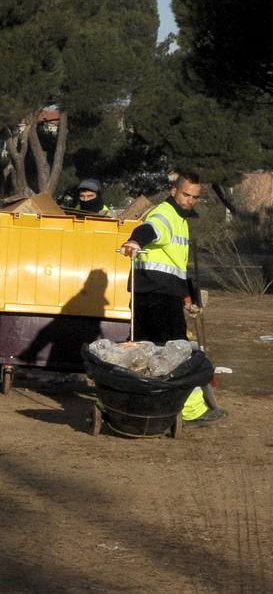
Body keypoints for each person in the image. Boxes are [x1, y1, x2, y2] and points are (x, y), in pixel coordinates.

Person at [118, 172, 220, 424]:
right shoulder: (164, 214)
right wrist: (134, 240)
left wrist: (188, 298)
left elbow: (175, 266)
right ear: (173, 191)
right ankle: (191, 410)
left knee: (145, 354)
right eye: (186, 194)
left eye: (195, 197)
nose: (190, 201)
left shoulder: (181, 220)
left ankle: (136, 406)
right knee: (177, 353)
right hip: (157, 297)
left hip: (158, 294)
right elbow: (150, 230)